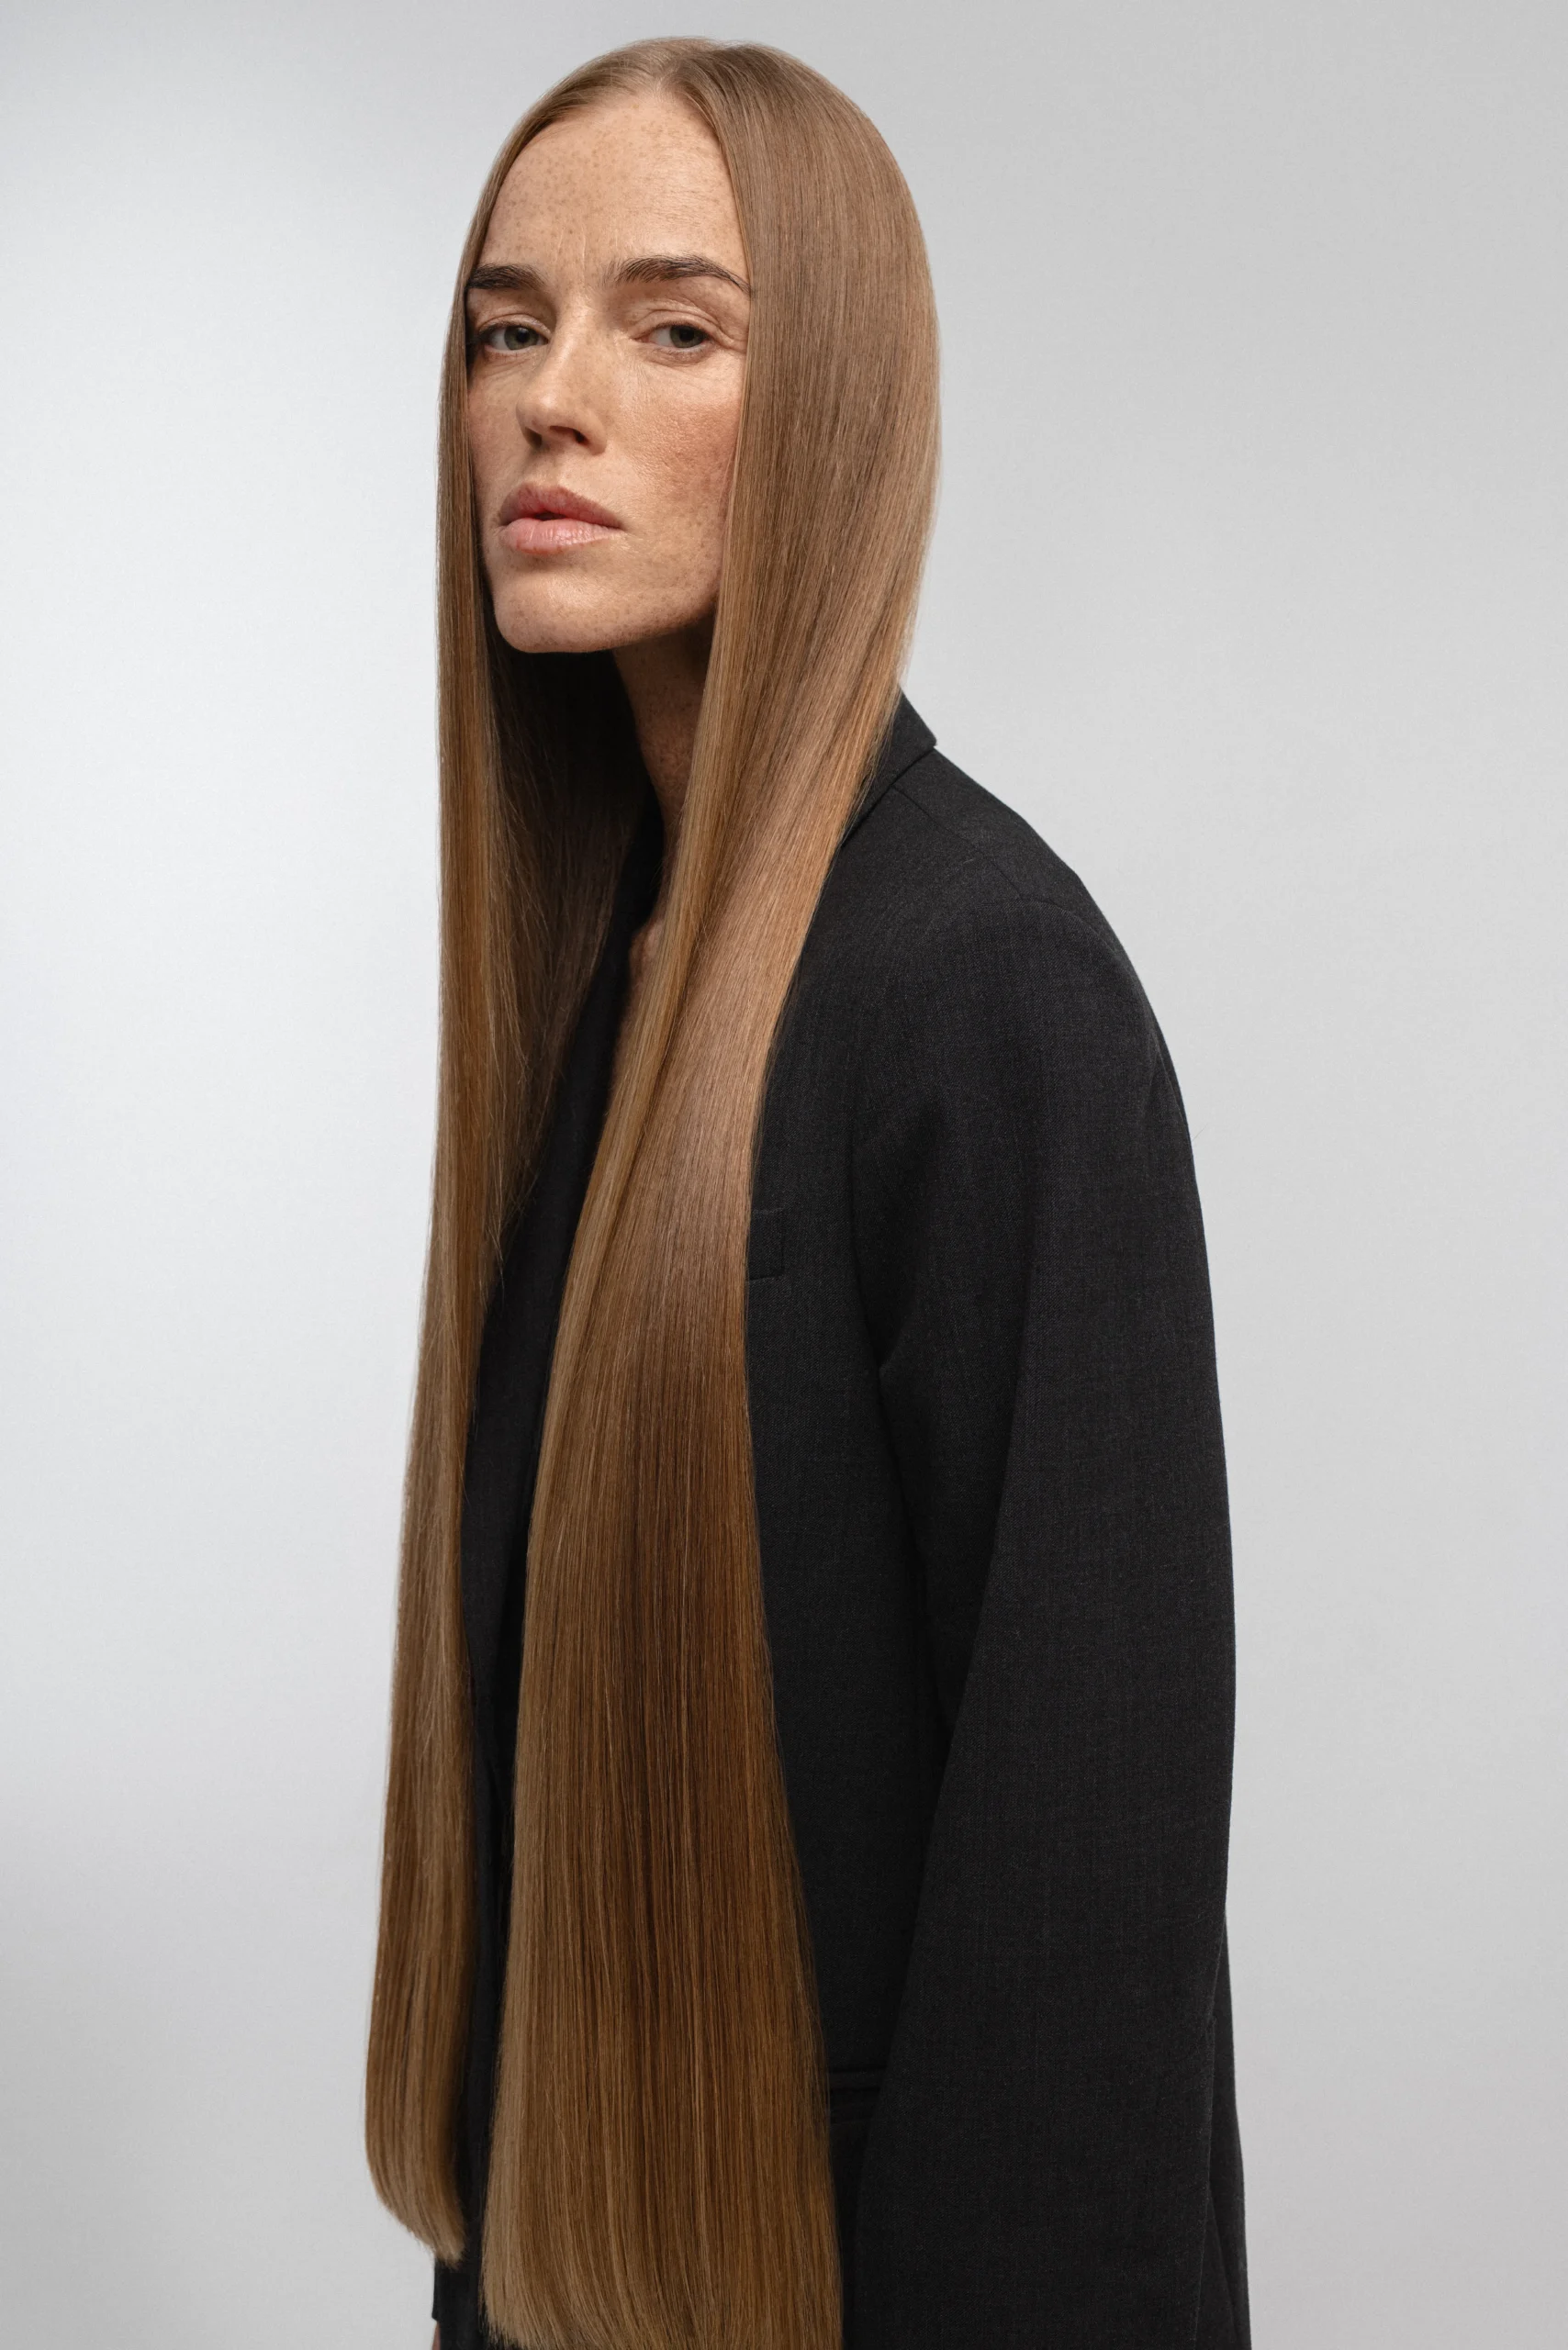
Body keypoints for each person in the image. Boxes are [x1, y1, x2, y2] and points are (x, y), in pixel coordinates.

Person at [365, 36, 1249, 2350]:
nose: (550, 403)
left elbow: (1079, 1921)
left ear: (835, 405)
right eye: (503, 327)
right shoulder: (611, 967)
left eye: (671, 326)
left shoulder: (981, 990)